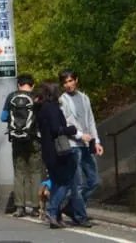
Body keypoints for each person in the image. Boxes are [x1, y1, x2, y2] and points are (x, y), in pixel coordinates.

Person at [34, 80, 85, 228]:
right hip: (58, 150)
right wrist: (72, 130)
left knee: (56, 182)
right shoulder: (52, 108)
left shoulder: (40, 108)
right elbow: (57, 129)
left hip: (47, 150)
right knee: (65, 182)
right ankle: (52, 211)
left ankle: (55, 216)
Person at [59, 68, 102, 224]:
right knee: (77, 183)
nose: (68, 85)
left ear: (76, 80)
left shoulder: (84, 98)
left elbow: (90, 120)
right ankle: (80, 216)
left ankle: (72, 206)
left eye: (71, 81)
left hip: (87, 144)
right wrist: (79, 135)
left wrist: (96, 141)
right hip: (73, 144)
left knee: (94, 180)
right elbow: (66, 123)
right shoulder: (62, 100)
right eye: (65, 82)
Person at [0, 73, 42, 217]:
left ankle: (20, 207)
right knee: (35, 173)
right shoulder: (37, 97)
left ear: (18, 84)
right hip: (34, 140)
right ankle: (36, 208)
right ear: (33, 85)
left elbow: (3, 117)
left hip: (17, 140)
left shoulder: (11, 97)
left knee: (19, 173)